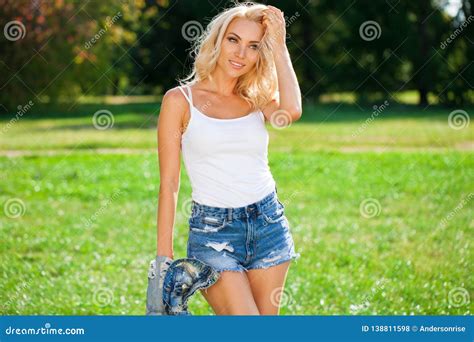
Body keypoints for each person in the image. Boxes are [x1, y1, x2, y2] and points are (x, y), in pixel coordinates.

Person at [156, 2, 302, 315]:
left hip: (268, 224)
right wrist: (163, 260)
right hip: (213, 233)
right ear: (217, 40)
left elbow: (290, 111)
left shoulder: (257, 98)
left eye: (253, 46)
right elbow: (169, 182)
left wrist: (280, 47)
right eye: (233, 40)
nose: (240, 54)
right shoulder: (179, 101)